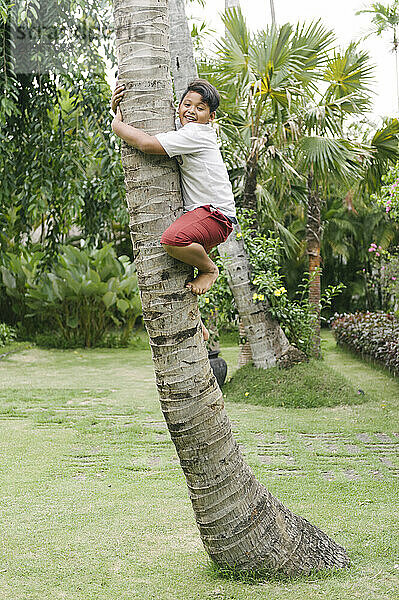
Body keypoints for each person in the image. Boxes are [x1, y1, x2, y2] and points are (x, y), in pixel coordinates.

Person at [111, 79, 237, 300]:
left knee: (173, 240)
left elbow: (146, 144)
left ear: (211, 117)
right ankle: (198, 325)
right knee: (180, 272)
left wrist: (116, 125)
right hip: (204, 215)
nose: (191, 111)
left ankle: (210, 270)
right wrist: (120, 108)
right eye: (187, 104)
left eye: (200, 108)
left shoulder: (196, 134)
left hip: (215, 215)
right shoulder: (185, 131)